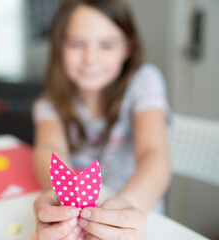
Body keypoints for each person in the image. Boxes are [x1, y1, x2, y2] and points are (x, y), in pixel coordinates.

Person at [32, 0, 171, 239]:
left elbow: (154, 154)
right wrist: (59, 199)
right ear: (60, 47)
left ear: (127, 48)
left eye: (106, 45)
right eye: (77, 44)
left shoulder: (144, 83)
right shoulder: (49, 104)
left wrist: (126, 206)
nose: (90, 58)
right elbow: (49, 148)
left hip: (140, 219)